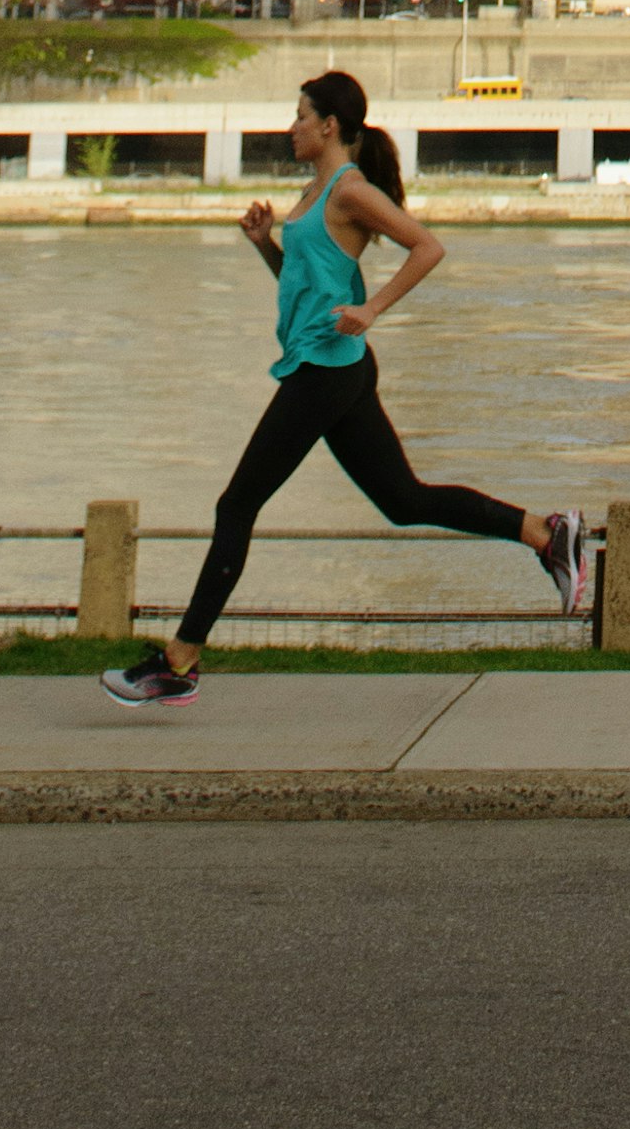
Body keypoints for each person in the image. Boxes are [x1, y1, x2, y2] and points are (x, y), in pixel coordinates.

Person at [101, 67, 587, 704]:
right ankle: (546, 534)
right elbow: (307, 285)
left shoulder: (349, 190)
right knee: (403, 501)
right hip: (331, 363)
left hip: (326, 370)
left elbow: (427, 246)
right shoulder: (314, 190)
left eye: (301, 116)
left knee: (236, 505)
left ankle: (179, 660)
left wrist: (374, 308)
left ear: (330, 126)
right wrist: (265, 245)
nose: (291, 127)